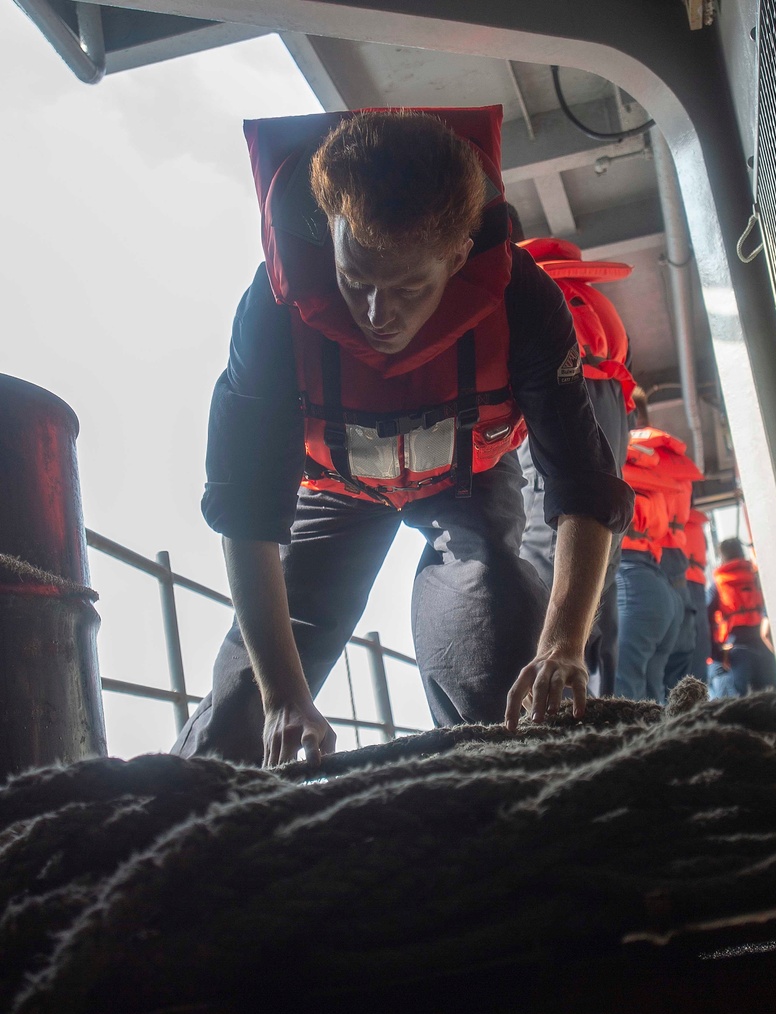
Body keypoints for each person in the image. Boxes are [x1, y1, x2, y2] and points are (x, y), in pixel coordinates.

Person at [172, 107, 633, 767]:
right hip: (336, 490)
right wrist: (282, 696)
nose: (374, 315)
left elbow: (581, 481)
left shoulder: (524, 300)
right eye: (355, 280)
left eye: (408, 287)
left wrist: (562, 645)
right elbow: (246, 511)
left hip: (467, 479)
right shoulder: (273, 312)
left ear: (457, 254)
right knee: (244, 711)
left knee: (495, 646)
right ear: (327, 234)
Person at [510, 228, 634, 696]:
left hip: (562, 411)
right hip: (608, 424)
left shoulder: (528, 295)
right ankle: (600, 704)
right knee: (600, 557)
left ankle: (547, 703)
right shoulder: (589, 299)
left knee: (547, 557)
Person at [615, 394, 703, 703]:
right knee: (668, 693)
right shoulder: (662, 458)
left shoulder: (624, 452)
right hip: (675, 585)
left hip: (637, 576)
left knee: (629, 695)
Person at [707, 537, 776, 696]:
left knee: (739, 705)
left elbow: (704, 620)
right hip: (764, 647)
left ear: (722, 557)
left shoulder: (718, 585)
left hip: (735, 652)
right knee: (774, 700)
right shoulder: (756, 578)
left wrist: (717, 654)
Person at [683, 506, 711, 684]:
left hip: (678, 582)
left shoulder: (665, 520)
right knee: (699, 649)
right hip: (697, 585)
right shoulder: (697, 525)